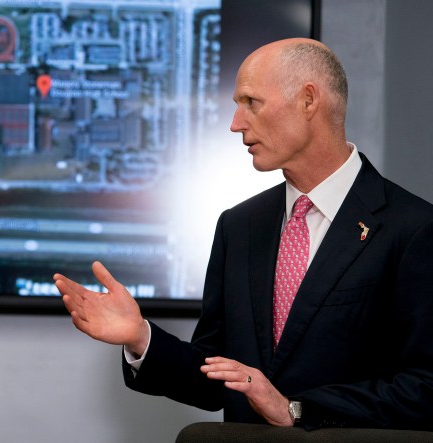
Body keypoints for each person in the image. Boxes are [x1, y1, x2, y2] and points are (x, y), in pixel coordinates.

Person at [54, 38, 433, 431]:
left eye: (251, 102)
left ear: (308, 101)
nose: (236, 123)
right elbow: (217, 378)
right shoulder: (239, 226)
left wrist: (295, 409)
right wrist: (140, 338)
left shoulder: (413, 228)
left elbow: (425, 388)